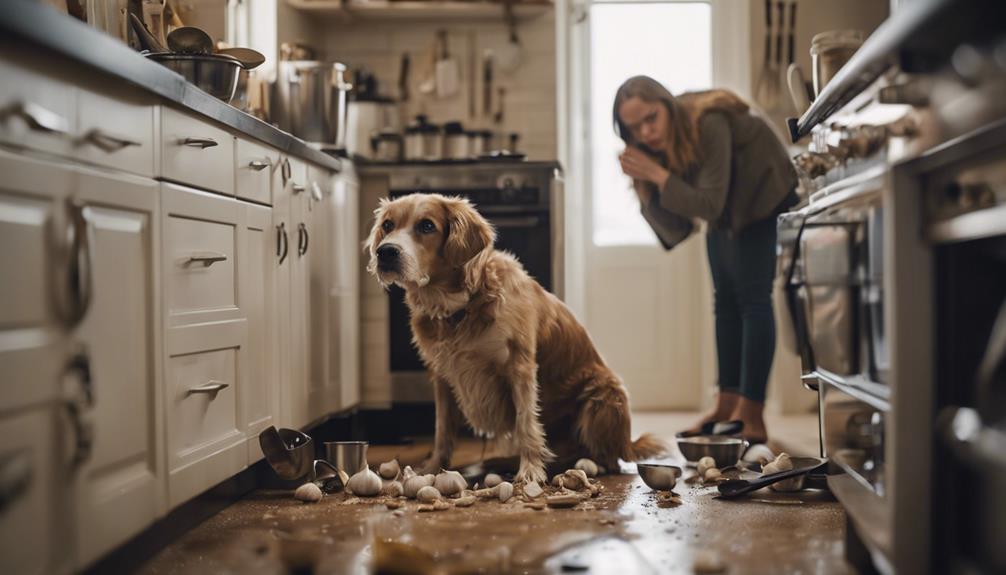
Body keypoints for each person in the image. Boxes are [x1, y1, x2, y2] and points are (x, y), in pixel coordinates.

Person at [613, 75, 798, 444]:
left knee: (753, 299)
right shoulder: (658, 146)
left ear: (666, 105)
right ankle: (726, 405)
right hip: (726, 208)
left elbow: (708, 203)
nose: (646, 132)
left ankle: (752, 415)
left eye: (651, 118)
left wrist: (657, 174)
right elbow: (678, 231)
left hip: (765, 193)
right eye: (634, 128)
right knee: (724, 304)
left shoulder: (707, 121)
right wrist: (645, 187)